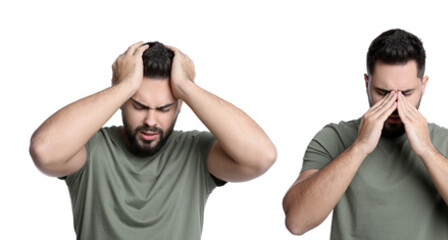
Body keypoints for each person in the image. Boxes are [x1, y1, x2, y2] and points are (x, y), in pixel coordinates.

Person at [29, 41, 277, 239]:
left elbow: (261, 157)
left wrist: (187, 87)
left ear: (180, 106)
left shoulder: (195, 153)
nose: (150, 120)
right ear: (121, 101)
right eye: (139, 105)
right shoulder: (91, 148)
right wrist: (124, 86)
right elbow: (44, 150)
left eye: (164, 108)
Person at [282, 29, 448, 239]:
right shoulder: (334, 138)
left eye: (407, 93)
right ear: (367, 84)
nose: (395, 105)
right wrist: (359, 148)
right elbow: (297, 222)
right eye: (383, 93)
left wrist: (427, 151)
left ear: (423, 86)